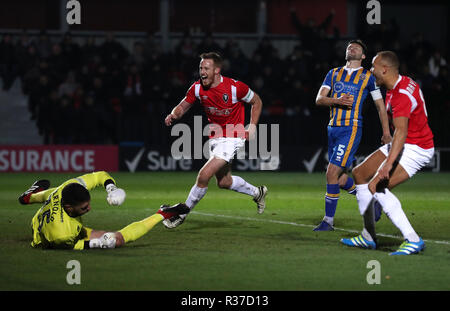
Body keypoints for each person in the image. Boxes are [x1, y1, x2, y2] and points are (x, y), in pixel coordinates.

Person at [341, 51, 434, 255]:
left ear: (385, 69)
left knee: (376, 186)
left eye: (374, 67)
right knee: (359, 173)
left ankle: (413, 239)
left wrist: (387, 165)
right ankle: (368, 236)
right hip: (404, 142)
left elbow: (401, 132)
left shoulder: (400, 95)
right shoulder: (400, 84)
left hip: (417, 148)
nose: (371, 71)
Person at [163, 52, 267, 228]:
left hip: (234, 136)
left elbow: (257, 101)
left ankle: (182, 213)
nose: (202, 72)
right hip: (216, 136)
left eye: (206, 68)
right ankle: (258, 192)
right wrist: (174, 114)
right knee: (224, 182)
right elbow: (183, 106)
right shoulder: (197, 88)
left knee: (204, 176)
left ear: (217, 70)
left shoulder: (235, 88)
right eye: (201, 68)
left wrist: (252, 126)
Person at [313, 39, 392, 231]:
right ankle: (372, 198)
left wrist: (387, 132)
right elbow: (319, 100)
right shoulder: (333, 73)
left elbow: (381, 107)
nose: (352, 48)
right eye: (350, 46)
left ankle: (328, 222)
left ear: (363, 56)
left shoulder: (368, 77)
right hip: (332, 127)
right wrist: (336, 100)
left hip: (351, 128)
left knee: (331, 172)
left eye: (357, 47)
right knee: (339, 179)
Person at [18, 171, 189, 250]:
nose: (89, 209)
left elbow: (100, 175)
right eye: (84, 208)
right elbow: (71, 246)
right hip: (47, 236)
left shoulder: (69, 188)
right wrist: (97, 244)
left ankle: (28, 197)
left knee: (52, 193)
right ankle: (163, 213)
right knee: (117, 240)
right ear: (70, 208)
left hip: (53, 209)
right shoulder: (63, 234)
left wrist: (111, 188)